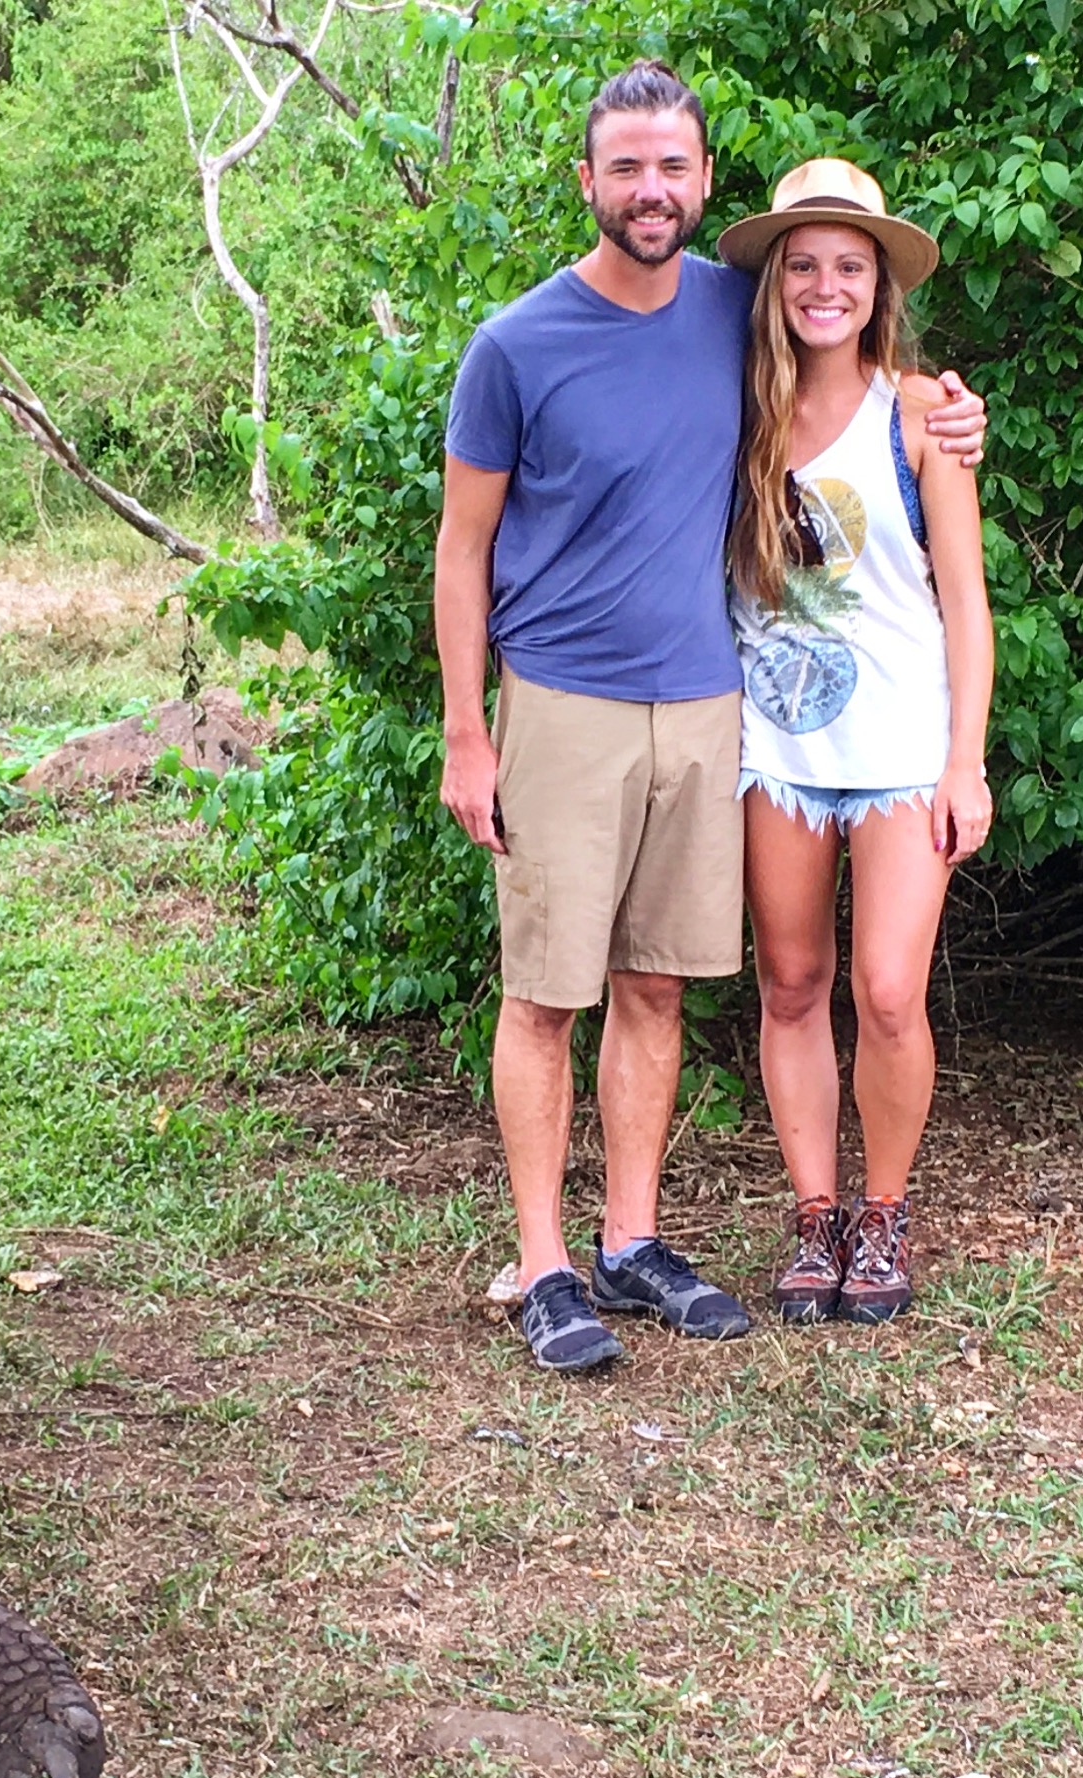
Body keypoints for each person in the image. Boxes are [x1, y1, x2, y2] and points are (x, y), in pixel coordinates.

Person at [434, 61, 986, 1373]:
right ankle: (547, 1258)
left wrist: (947, 405)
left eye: (670, 167)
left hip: (712, 712)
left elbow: (871, 377)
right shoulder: (524, 344)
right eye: (623, 167)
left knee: (666, 986)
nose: (648, 189)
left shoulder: (775, 336)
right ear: (587, 181)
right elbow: (461, 549)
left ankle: (634, 1237)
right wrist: (468, 728)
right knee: (556, 991)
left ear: (697, 183)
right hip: (579, 704)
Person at [718, 161, 992, 1324]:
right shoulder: (737, 405)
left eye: (849, 265)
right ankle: (815, 1214)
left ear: (878, 283)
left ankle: (883, 1215)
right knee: (790, 985)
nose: (824, 285)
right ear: (775, 278)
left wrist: (967, 759)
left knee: (887, 992)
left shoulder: (924, 412)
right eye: (804, 264)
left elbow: (967, 605)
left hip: (899, 747)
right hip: (774, 746)